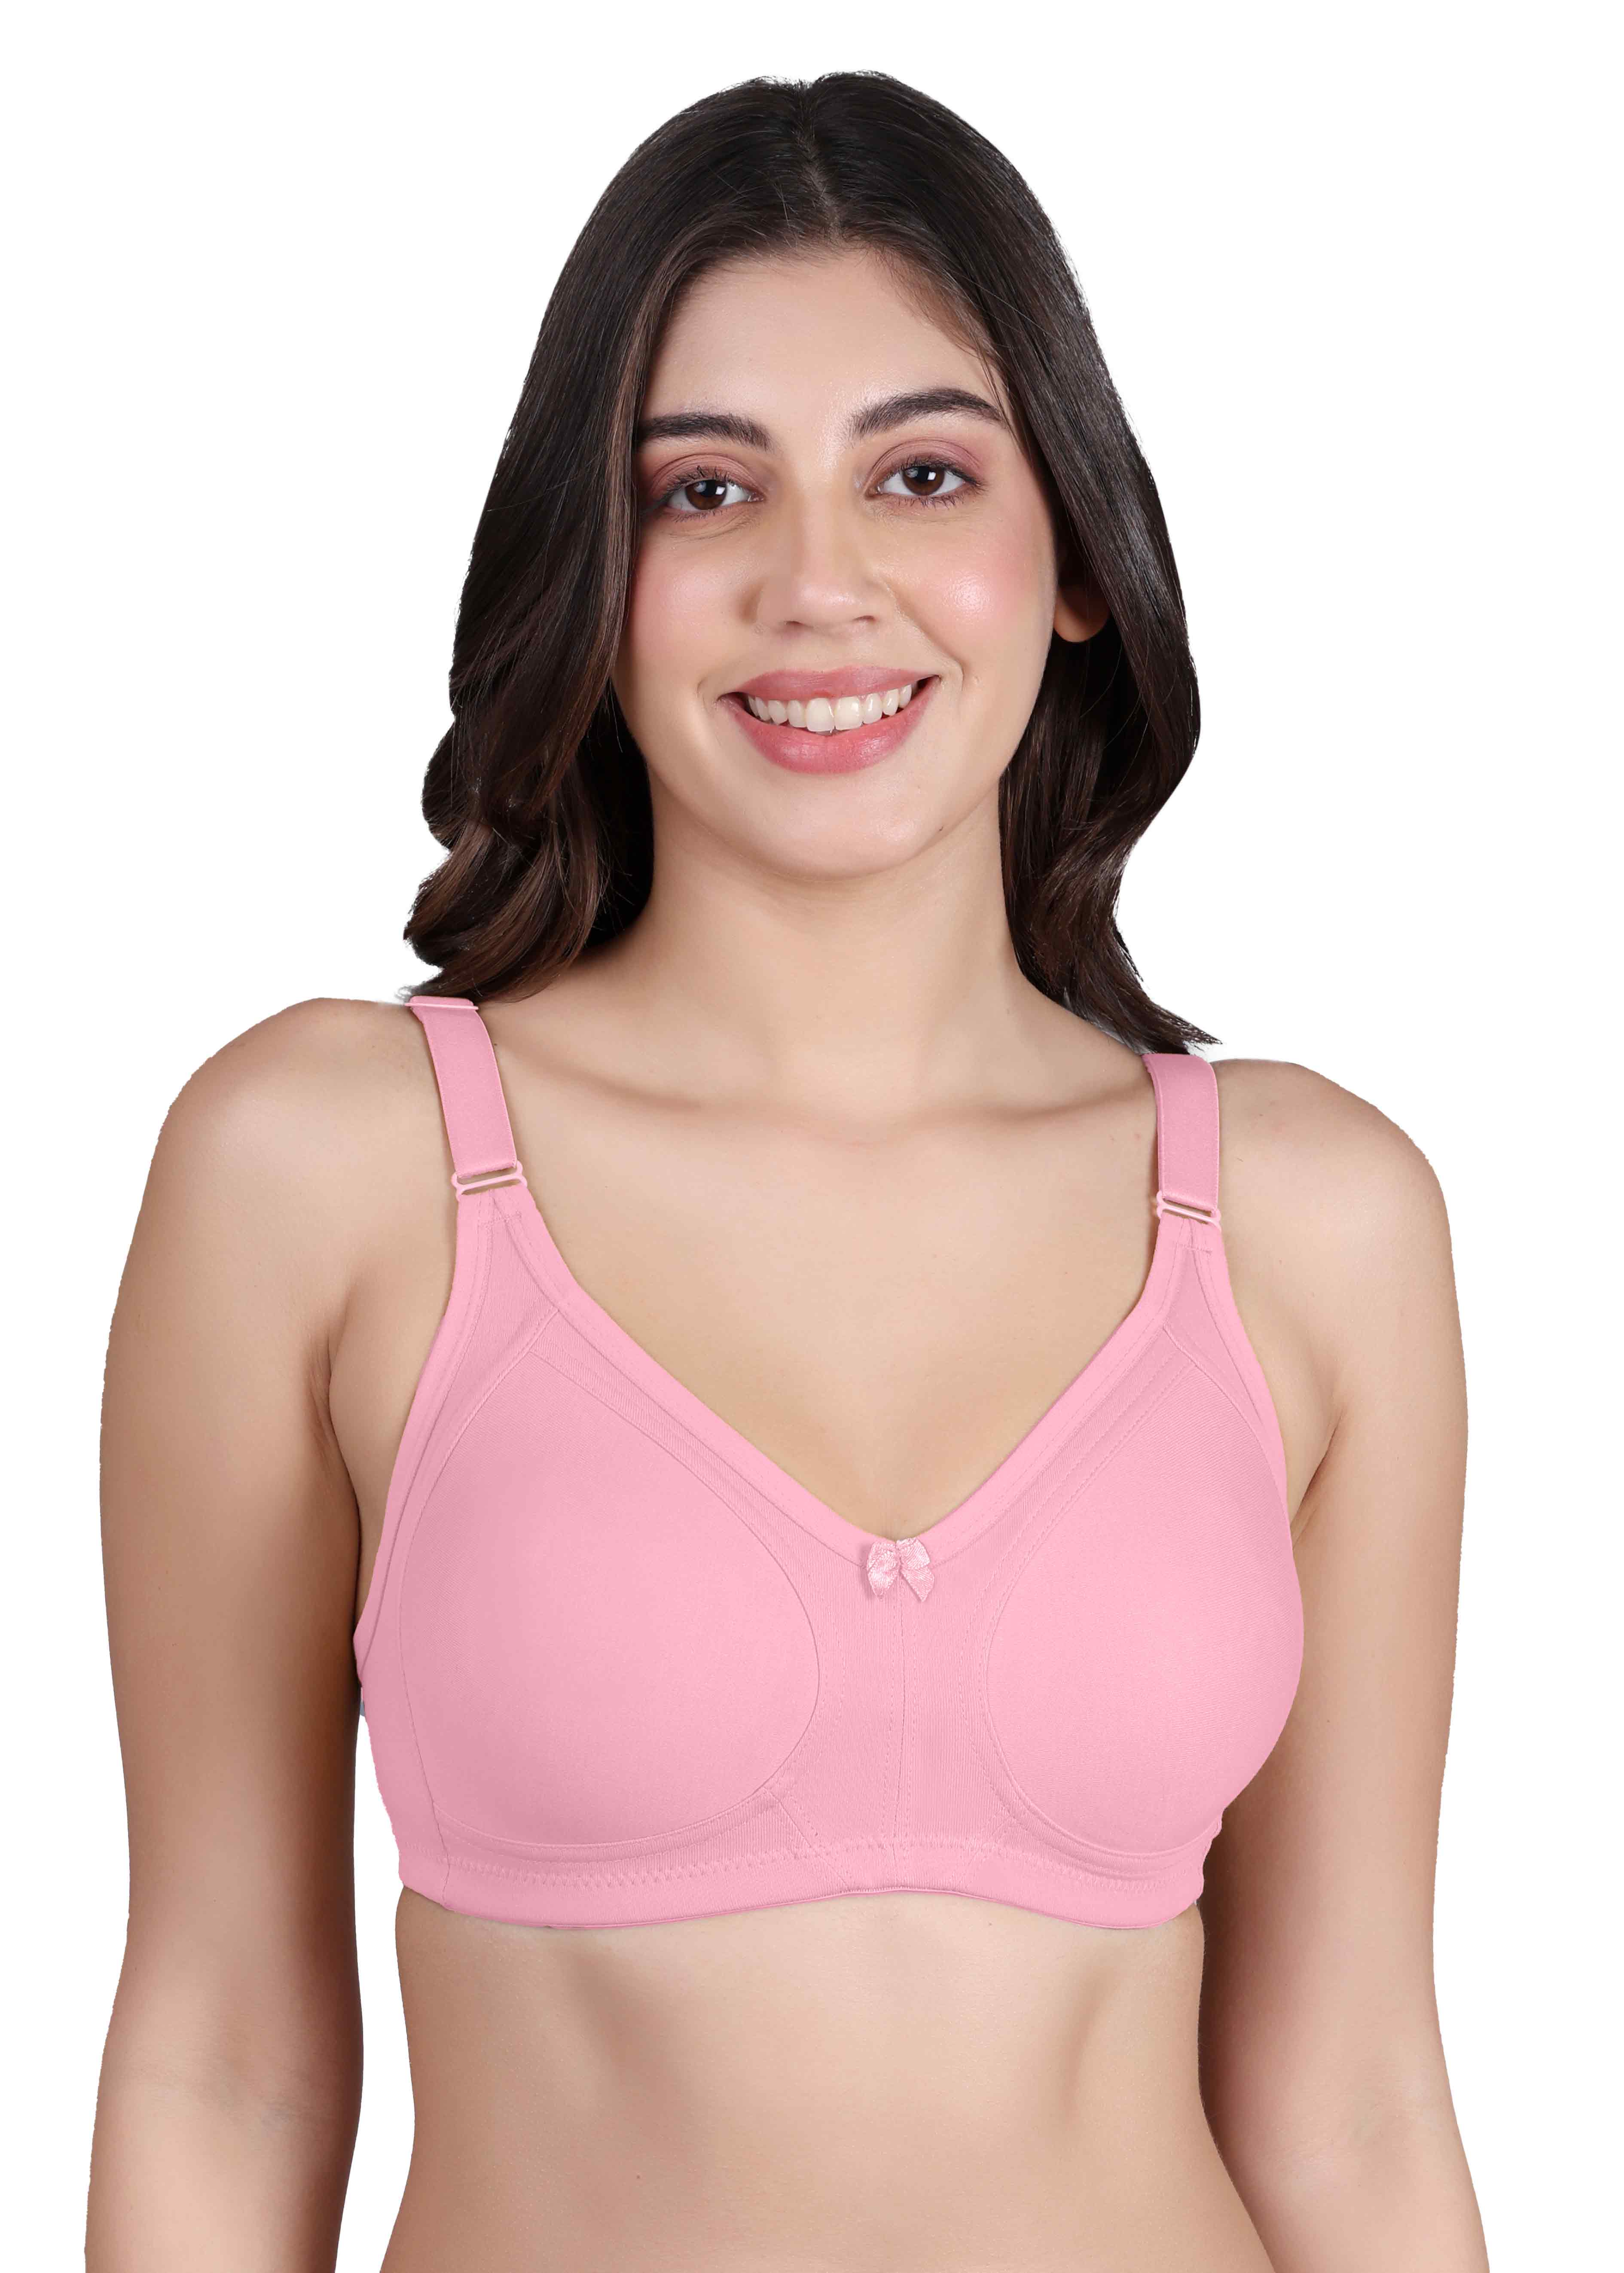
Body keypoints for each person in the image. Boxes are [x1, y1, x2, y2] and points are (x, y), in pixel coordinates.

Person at [86, 72, 1489, 2273]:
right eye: (705, 489)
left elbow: (1357, 2105)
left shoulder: (1316, 1224)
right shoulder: (327, 1171)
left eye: (922, 473)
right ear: (596, 572)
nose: (819, 584)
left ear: (1076, 564)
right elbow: (224, 2055)